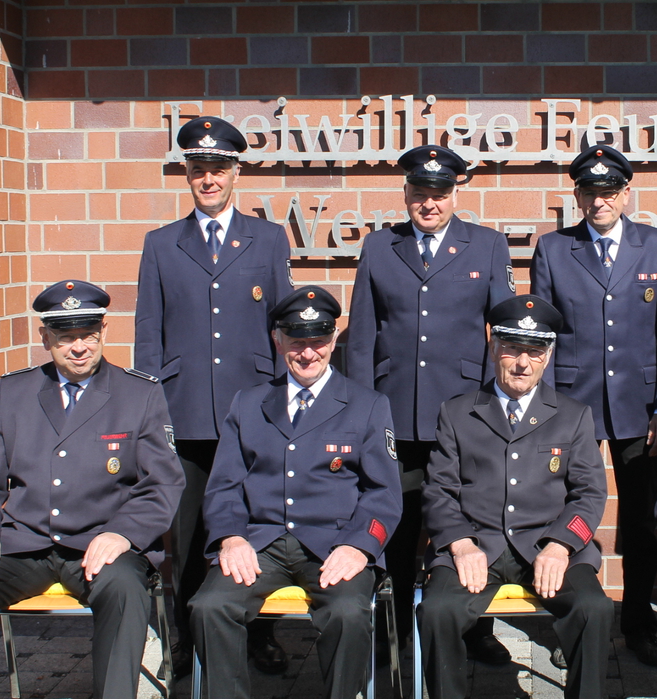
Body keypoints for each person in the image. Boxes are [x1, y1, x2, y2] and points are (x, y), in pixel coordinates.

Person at [0, 280, 185, 699]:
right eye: (66, 337)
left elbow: (163, 482)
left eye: (88, 334)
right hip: (24, 544)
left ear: (104, 331)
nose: (79, 347)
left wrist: (122, 533)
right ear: (45, 337)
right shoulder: (14, 392)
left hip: (100, 544)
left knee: (124, 589)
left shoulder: (139, 394)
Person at [135, 115, 294, 674]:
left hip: (254, 409)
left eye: (218, 169)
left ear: (235, 174)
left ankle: (258, 634)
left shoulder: (268, 238)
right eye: (199, 169)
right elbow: (148, 334)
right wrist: (151, 412)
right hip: (184, 411)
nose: (209, 179)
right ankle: (184, 639)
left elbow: (283, 326)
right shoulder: (161, 244)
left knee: (258, 521)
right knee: (187, 529)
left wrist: (284, 403)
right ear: (187, 174)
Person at [190, 286, 402, 699]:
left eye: (318, 341)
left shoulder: (368, 405)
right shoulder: (249, 404)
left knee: (347, 613)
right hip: (260, 543)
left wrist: (359, 547)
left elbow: (384, 494)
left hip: (334, 543)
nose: (308, 353)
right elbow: (223, 486)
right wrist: (231, 538)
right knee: (209, 607)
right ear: (277, 339)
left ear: (334, 339)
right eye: (296, 342)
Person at [346, 144, 514, 661]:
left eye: (439, 194)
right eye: (420, 193)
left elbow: (502, 334)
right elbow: (361, 337)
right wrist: (359, 410)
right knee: (395, 521)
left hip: (465, 411)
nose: (429, 204)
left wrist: (495, 407)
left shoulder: (487, 246)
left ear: (454, 195)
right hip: (393, 410)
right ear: (406, 194)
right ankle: (394, 628)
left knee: (471, 516)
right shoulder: (380, 246)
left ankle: (475, 628)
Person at [530, 144, 657, 665]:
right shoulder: (554, 249)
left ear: (626, 193)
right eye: (590, 192)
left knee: (640, 519)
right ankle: (574, 623)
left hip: (639, 406)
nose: (600, 201)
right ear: (577, 196)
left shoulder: (656, 246)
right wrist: (543, 407)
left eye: (610, 191)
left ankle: (638, 619)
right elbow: (543, 335)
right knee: (564, 511)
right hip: (570, 403)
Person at [417, 295, 612, 699]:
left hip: (548, 545)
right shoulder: (457, 413)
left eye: (534, 352)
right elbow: (438, 489)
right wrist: (460, 544)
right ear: (493, 348)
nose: (523, 363)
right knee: (437, 612)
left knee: (593, 609)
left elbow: (590, 493)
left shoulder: (573, 415)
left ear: (548, 356)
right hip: (477, 544)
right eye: (512, 349)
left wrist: (560, 545)